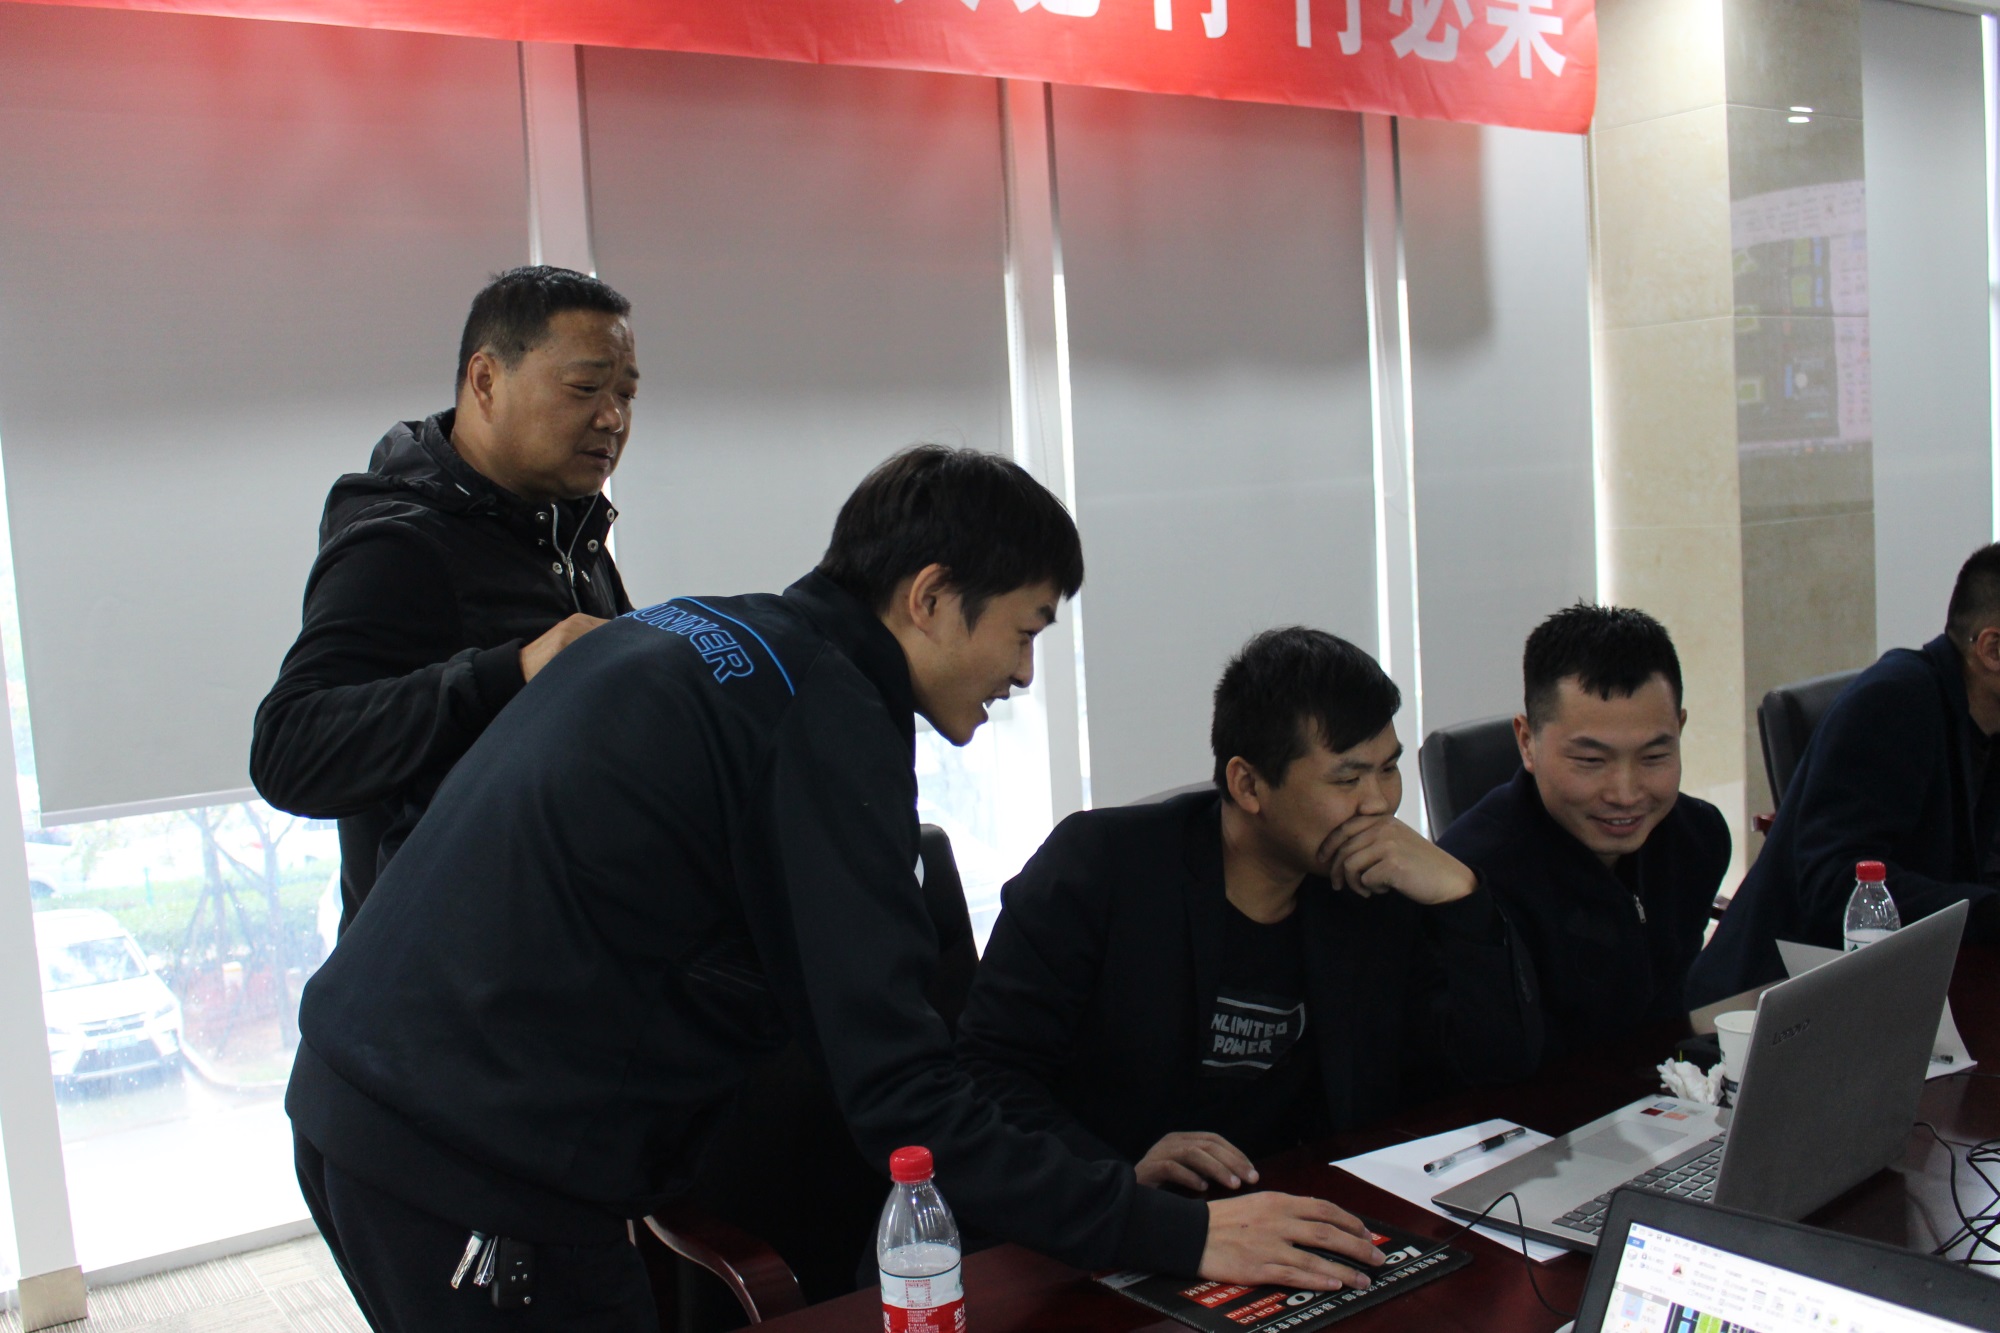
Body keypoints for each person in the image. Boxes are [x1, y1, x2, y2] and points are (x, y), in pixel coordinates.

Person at [287, 448, 1386, 1331]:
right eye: (1024, 630)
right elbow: (902, 1087)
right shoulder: (821, 714)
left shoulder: (711, 630)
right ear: (930, 596)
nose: (1022, 673)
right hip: (465, 1161)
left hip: (381, 1092)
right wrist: (1180, 1234)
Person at [955, 627, 1541, 1197]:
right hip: (1129, 1220)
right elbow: (990, 1074)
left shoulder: (1373, 888)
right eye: (1348, 778)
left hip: (1309, 1206)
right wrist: (1113, 1179)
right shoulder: (1100, 869)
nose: (1379, 803)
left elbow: (1494, 1074)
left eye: (1388, 768)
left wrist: (1462, 896)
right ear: (1248, 785)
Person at [250, 266, 636, 934]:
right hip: (439, 980)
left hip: (555, 957)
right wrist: (512, 671)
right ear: (485, 381)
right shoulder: (400, 544)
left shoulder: (568, 528)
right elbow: (290, 750)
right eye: (584, 388)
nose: (613, 417)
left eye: (626, 393)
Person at [1688, 545, 2000, 1008]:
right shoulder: (1896, 702)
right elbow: (1834, 886)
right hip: (1768, 1008)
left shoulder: (1987, 723)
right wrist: (1989, 911)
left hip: (1910, 991)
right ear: (1992, 650)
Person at [1438, 605, 1730, 1059]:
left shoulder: (1698, 837)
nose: (1625, 794)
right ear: (1527, 742)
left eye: (1654, 757)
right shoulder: (1472, 880)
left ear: (1680, 730)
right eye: (1591, 761)